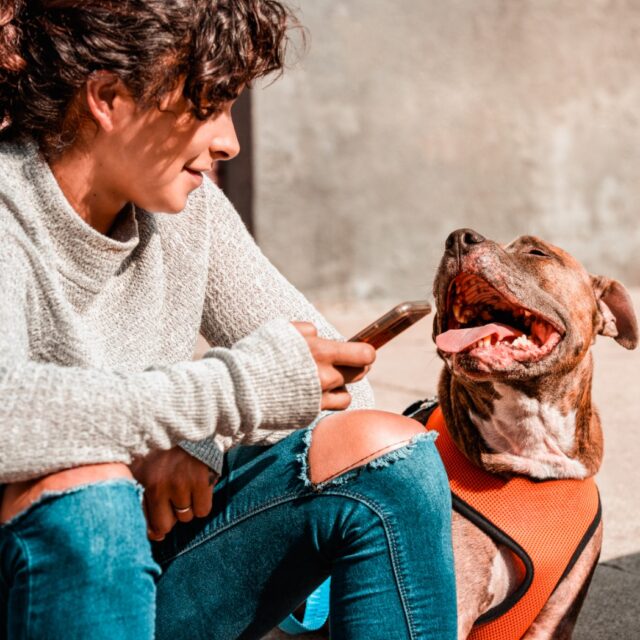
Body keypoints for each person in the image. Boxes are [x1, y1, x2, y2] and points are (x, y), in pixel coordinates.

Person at [0, 1, 457, 638]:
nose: (229, 142)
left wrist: (196, 440)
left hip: (145, 576)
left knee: (387, 454)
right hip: (40, 586)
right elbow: (9, 413)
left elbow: (339, 388)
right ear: (109, 98)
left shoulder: (191, 215)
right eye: (208, 106)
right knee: (89, 493)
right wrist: (217, 399)